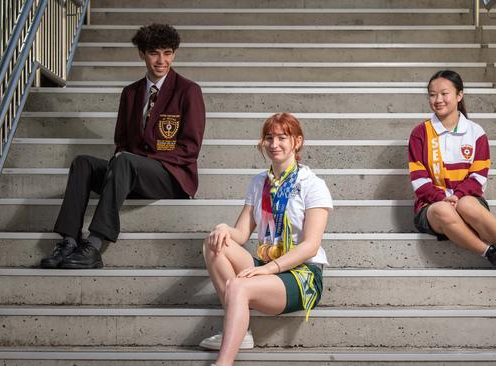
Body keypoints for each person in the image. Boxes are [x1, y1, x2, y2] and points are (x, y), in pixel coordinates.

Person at [40, 23, 206, 269]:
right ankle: (68, 241)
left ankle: (94, 246)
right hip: (131, 172)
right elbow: (122, 142)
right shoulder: (130, 93)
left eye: (168, 53)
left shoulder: (188, 91)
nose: (161, 60)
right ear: (142, 53)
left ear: (174, 54)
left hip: (171, 176)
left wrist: (142, 160)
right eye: (154, 53)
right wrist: (127, 160)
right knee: (83, 162)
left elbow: (190, 148)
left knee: (125, 161)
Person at [200, 113, 332, 366]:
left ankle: (222, 363)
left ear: (297, 142)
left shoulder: (313, 185)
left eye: (283, 137)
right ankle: (241, 330)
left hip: (301, 274)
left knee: (238, 286)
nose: (274, 144)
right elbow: (240, 234)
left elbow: (310, 246)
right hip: (268, 264)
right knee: (214, 243)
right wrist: (222, 228)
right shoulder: (259, 181)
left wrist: (268, 270)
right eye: (269, 138)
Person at [408, 70, 496, 269]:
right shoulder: (420, 133)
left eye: (444, 93)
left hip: (468, 201)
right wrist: (442, 198)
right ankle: (490, 252)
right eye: (432, 95)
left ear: (459, 95)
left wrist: (457, 196)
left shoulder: (475, 132)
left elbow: (478, 176)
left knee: (466, 203)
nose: (438, 99)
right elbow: (419, 179)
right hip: (431, 206)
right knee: (443, 209)